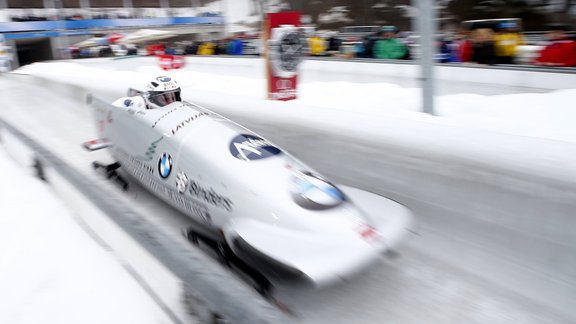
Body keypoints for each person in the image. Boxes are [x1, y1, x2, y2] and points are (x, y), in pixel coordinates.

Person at [113, 76, 182, 110]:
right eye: (165, 99)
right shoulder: (137, 103)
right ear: (152, 98)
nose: (171, 102)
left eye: (174, 97)